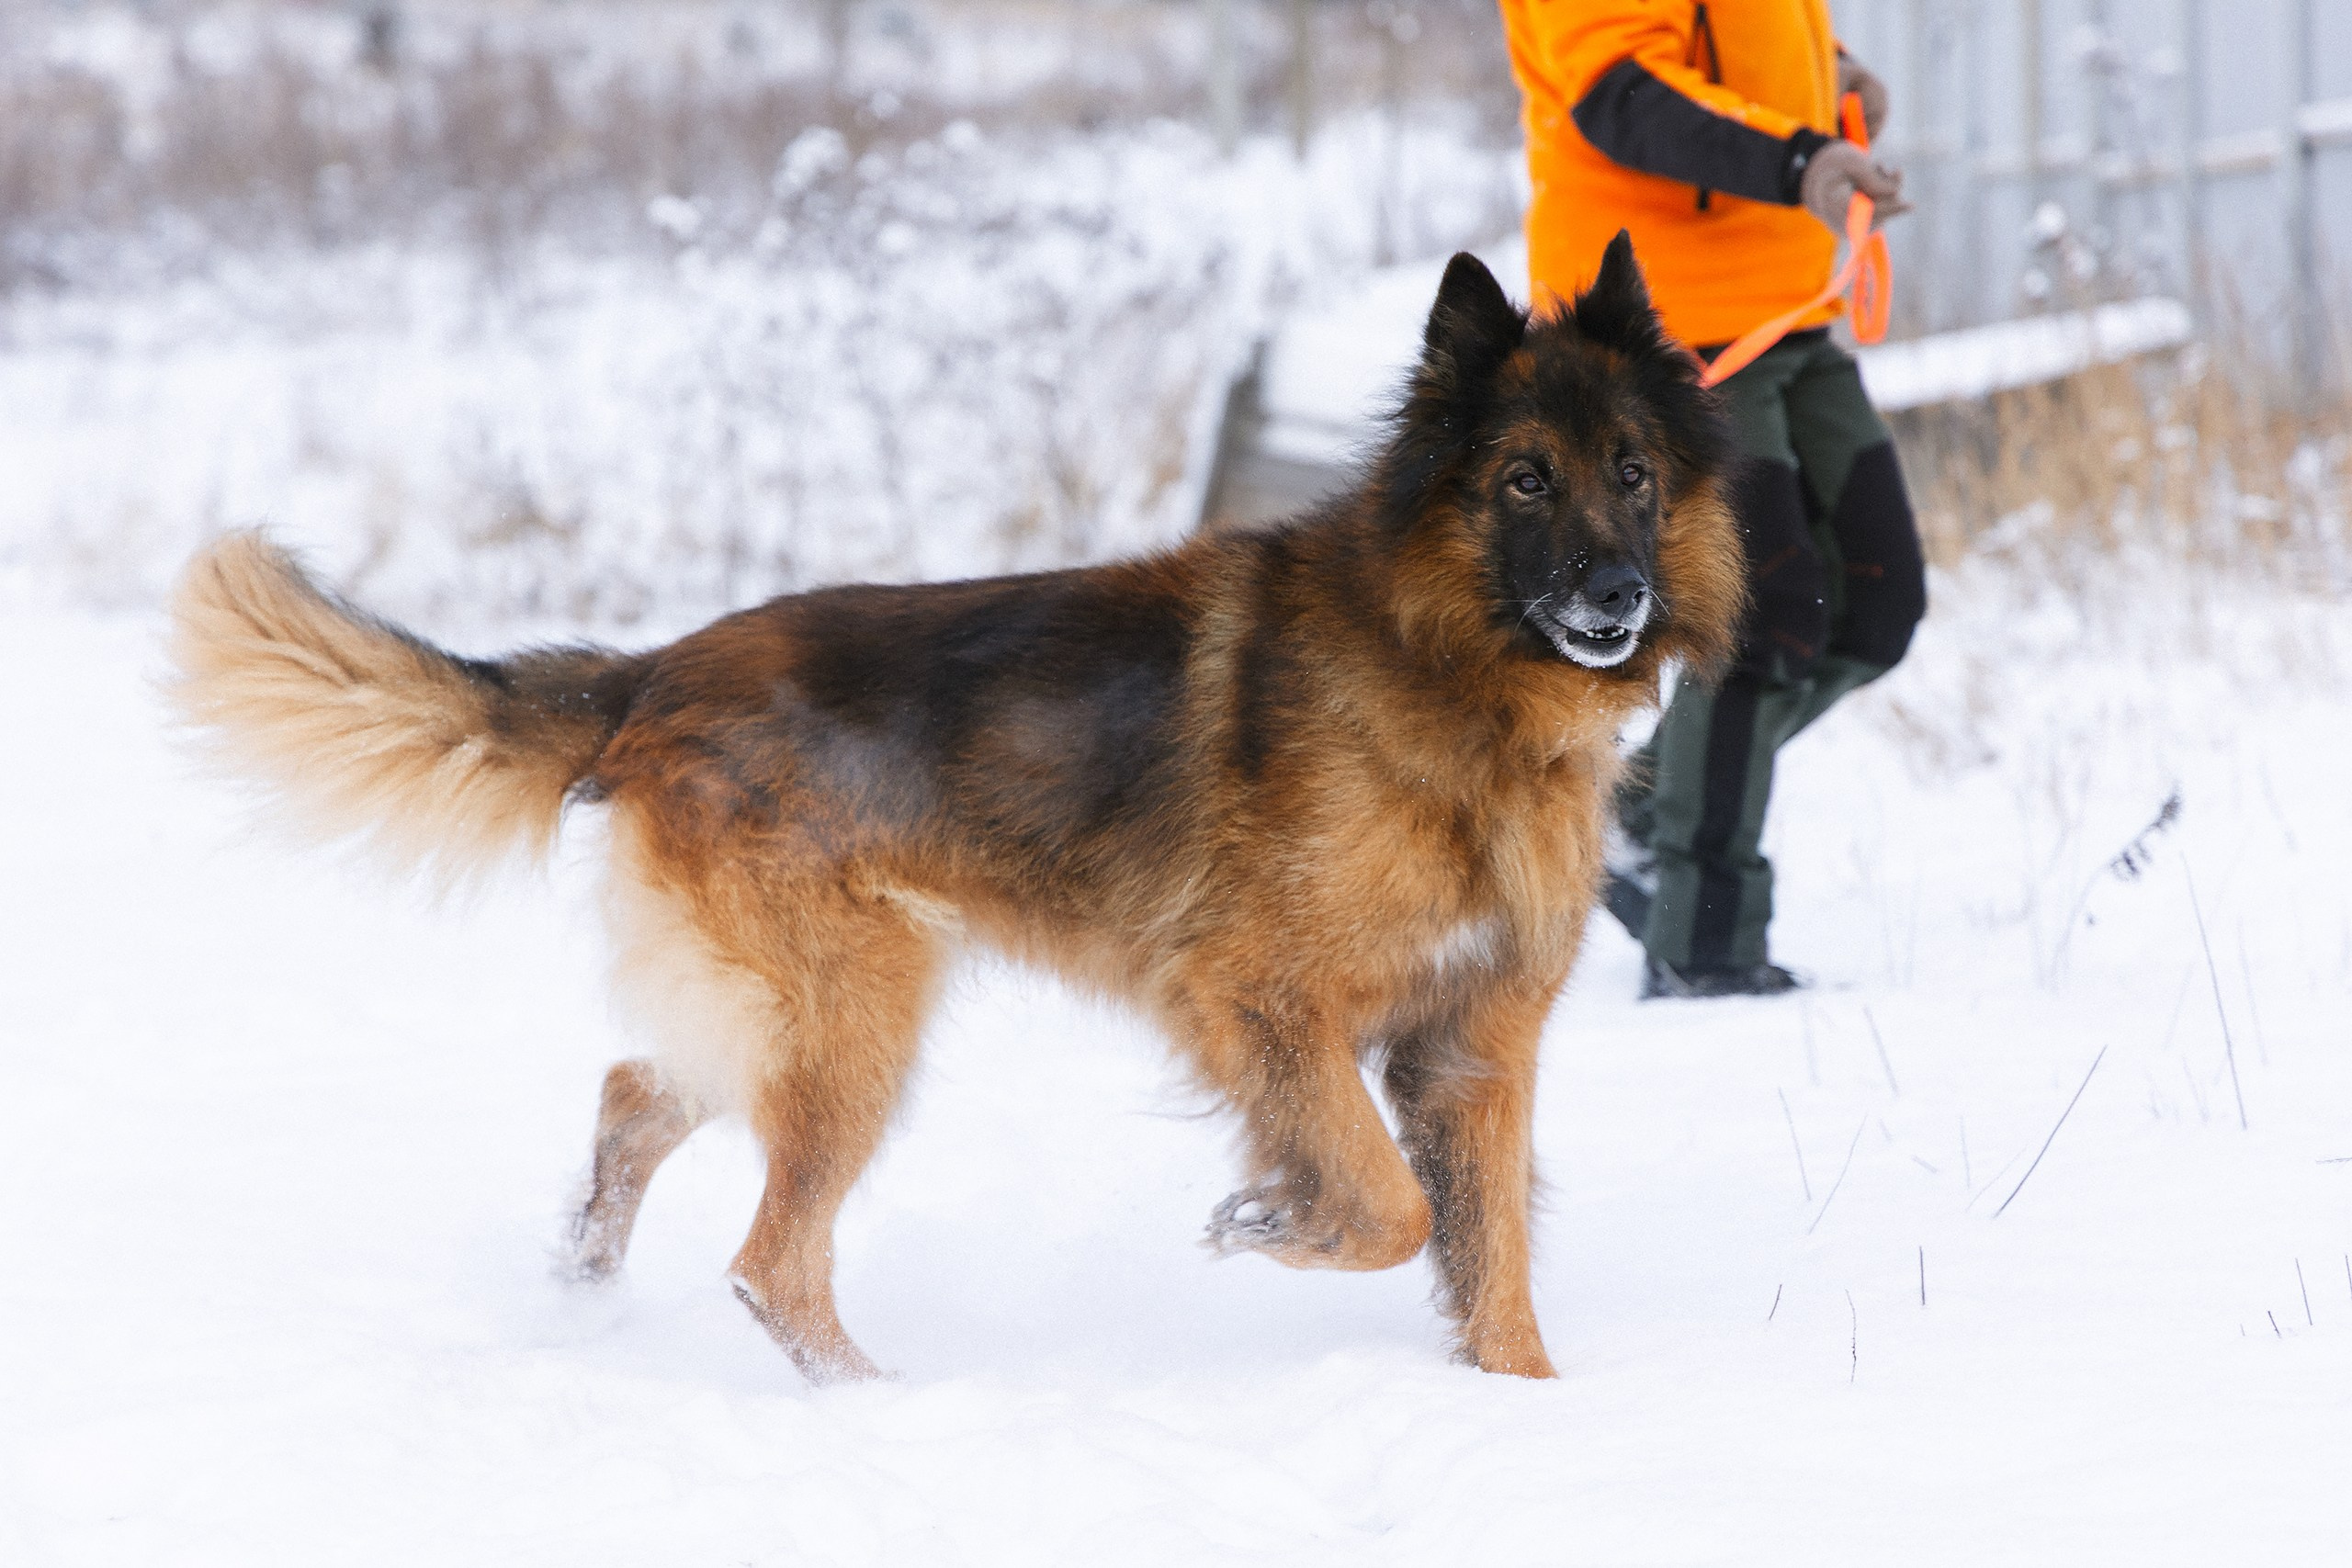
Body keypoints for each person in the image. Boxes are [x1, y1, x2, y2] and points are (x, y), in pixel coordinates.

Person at [1496, 0, 1930, 998]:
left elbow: (1732, 34)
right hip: (1663, 329)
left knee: (1875, 600)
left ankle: (1636, 822)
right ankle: (1704, 941)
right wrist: (1801, 161)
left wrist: (1829, 70)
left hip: (1789, 308)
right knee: (1760, 620)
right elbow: (1623, 93)